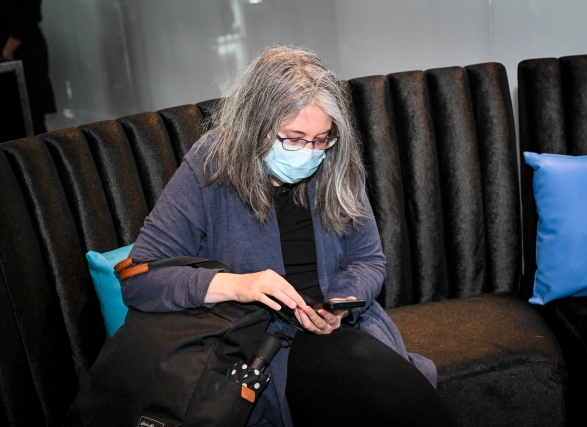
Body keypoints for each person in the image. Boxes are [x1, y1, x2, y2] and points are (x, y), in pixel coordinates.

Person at [122, 45, 456, 427]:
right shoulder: (212, 163)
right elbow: (140, 278)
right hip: (258, 349)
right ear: (255, 125)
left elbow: (368, 260)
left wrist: (342, 303)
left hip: (341, 334)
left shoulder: (337, 160)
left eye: (320, 139)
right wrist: (238, 285)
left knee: (409, 403)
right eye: (293, 139)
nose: (309, 153)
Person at [0, 0, 56, 136]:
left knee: (30, 118)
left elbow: (31, 12)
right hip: (7, 58)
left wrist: (8, 49)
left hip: (24, 53)